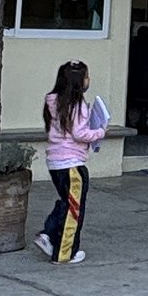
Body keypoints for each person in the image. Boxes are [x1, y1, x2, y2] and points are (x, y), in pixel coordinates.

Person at [37, 60, 108, 263]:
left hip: (55, 162)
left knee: (67, 202)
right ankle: (65, 253)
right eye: (86, 76)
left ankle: (48, 234)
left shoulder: (53, 101)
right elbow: (79, 133)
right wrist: (101, 131)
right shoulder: (77, 105)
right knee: (74, 209)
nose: (89, 80)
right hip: (72, 164)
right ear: (79, 82)